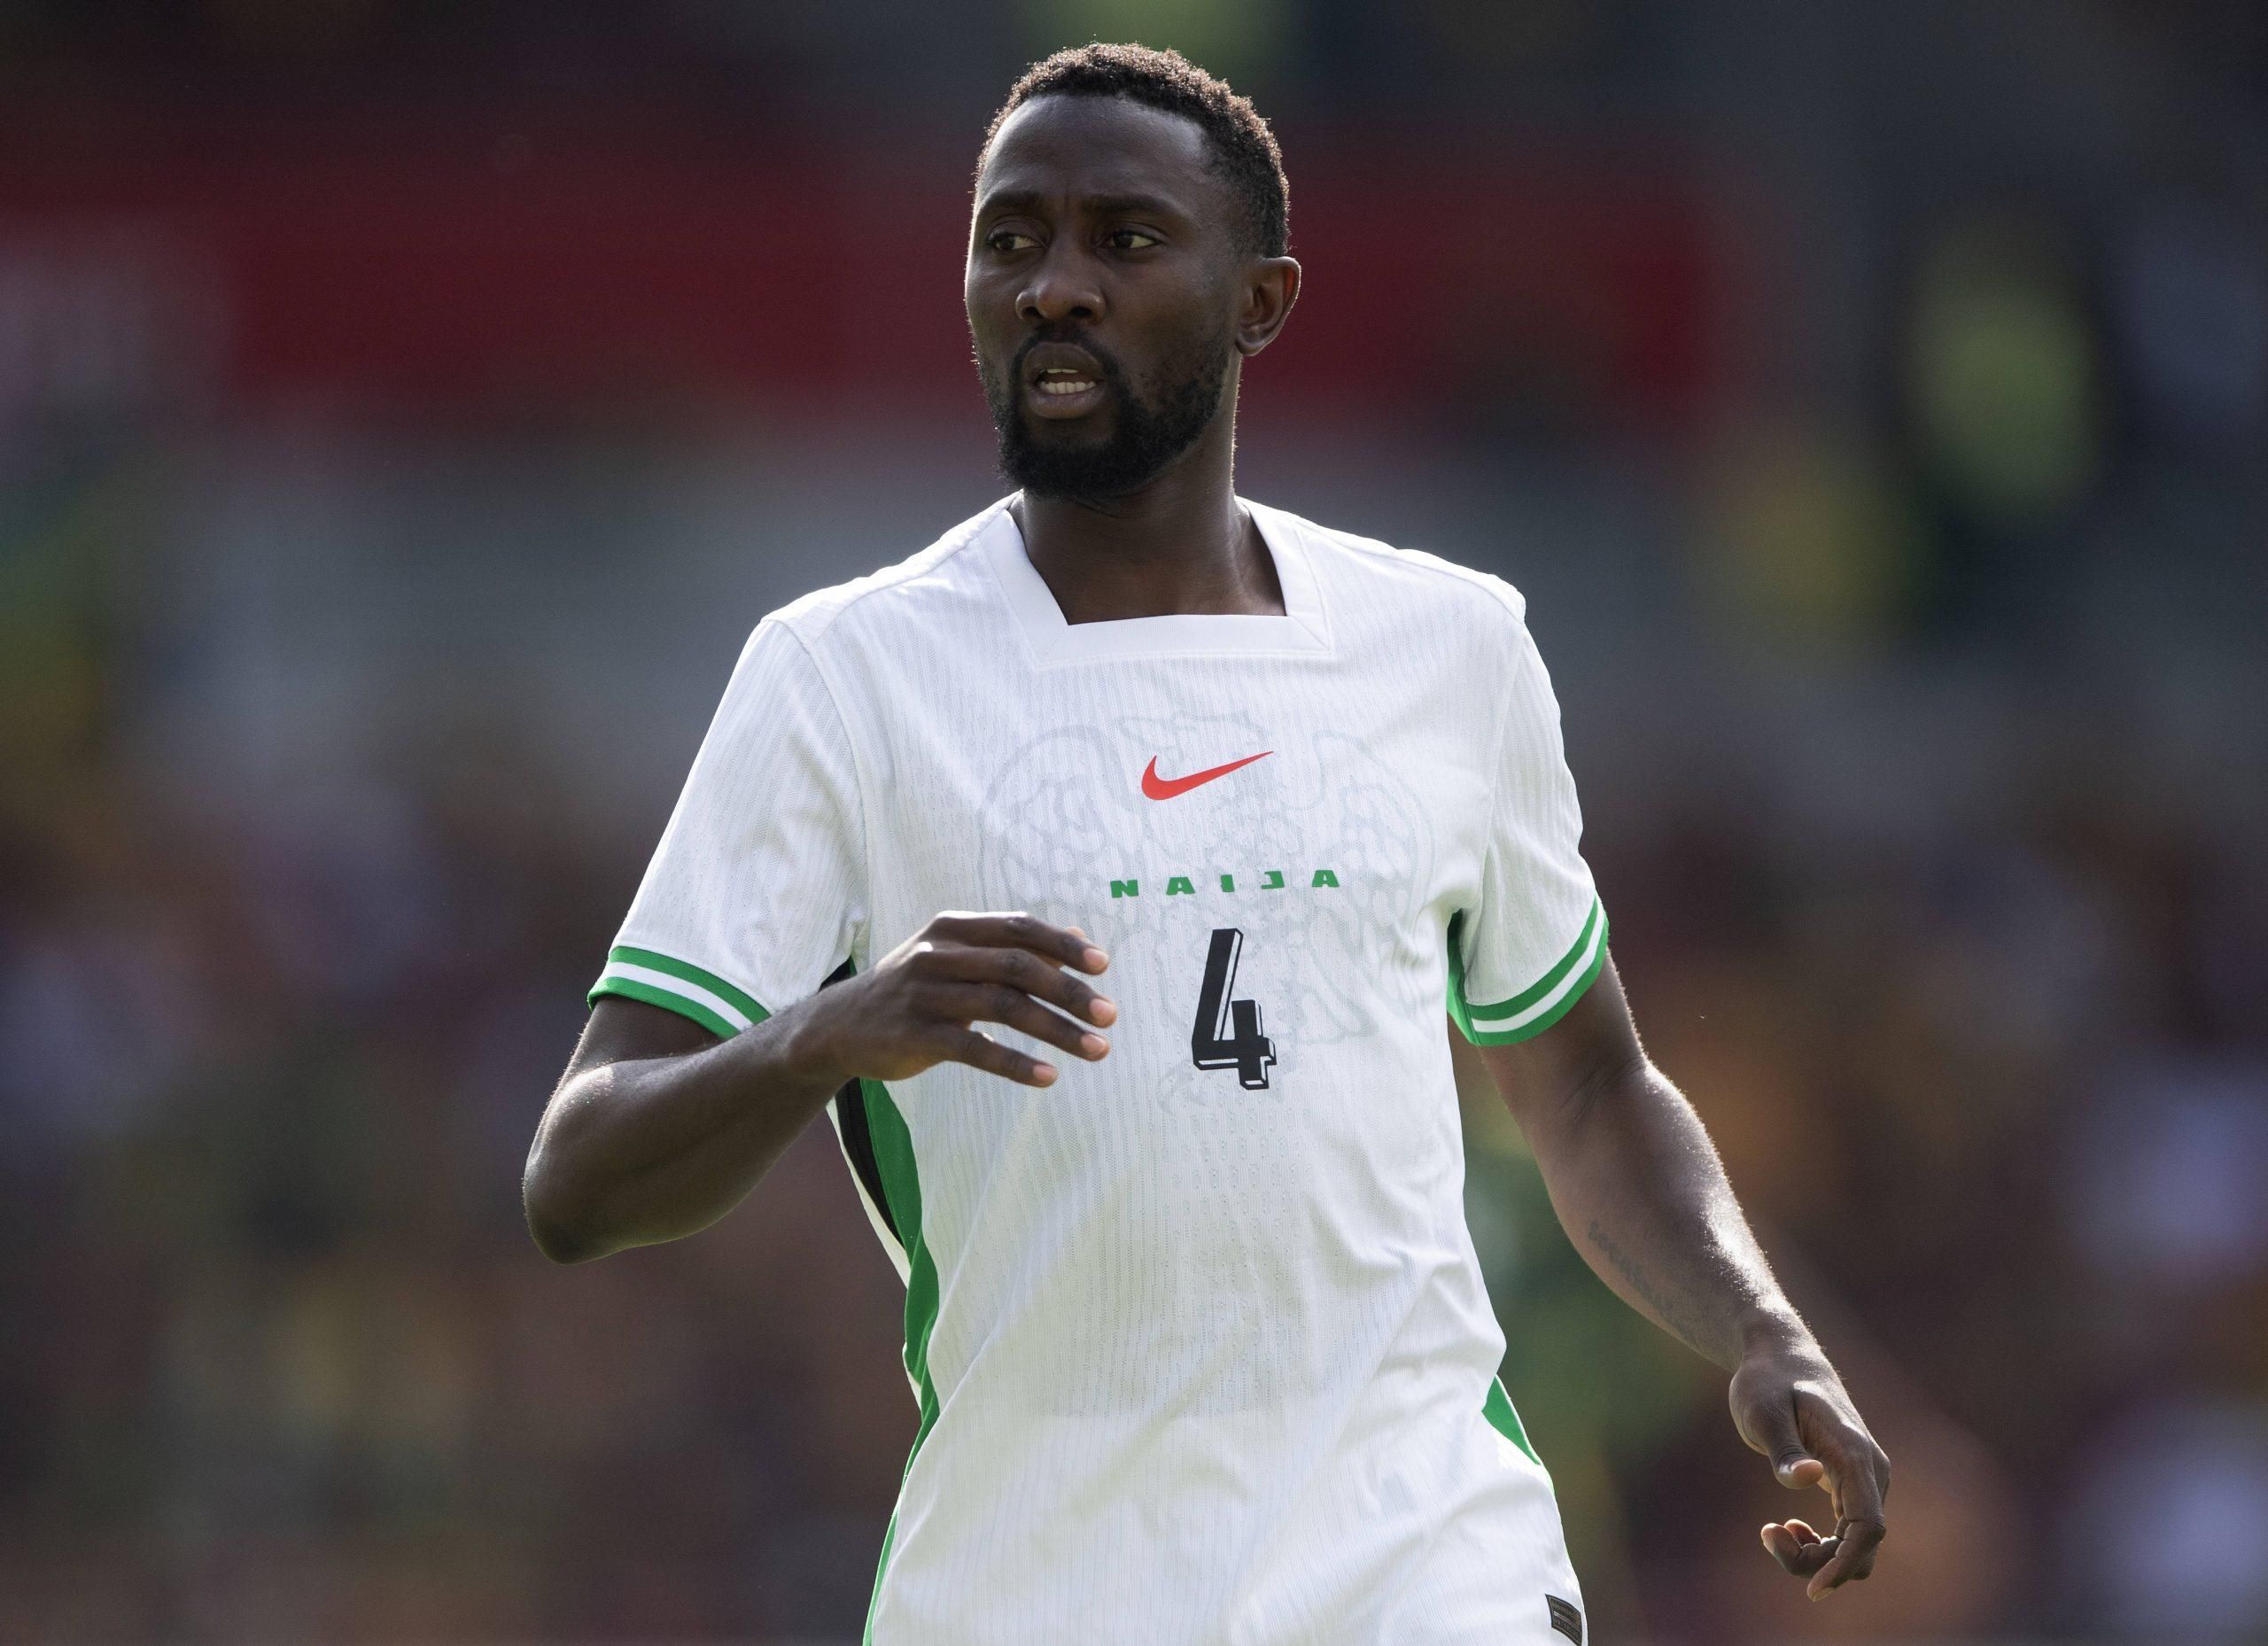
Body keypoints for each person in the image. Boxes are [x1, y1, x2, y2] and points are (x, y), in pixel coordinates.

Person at [523, 43, 1889, 1646]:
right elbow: (578, 1175)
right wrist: (827, 1031)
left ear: (1262, 299)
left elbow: (1586, 1083)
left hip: (1419, 1562)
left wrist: (1758, 1326)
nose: (1056, 287)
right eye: (1012, 239)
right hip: (1031, 1585)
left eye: (1126, 237)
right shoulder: (845, 674)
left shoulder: (1449, 647)